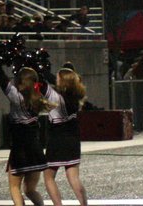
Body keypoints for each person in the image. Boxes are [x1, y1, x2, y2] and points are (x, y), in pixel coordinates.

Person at [0, 65, 53, 206]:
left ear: (20, 83)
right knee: (30, 190)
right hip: (36, 149)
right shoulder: (39, 97)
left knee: (15, 187)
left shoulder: (17, 97)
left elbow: (3, 82)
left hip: (20, 149)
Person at [42, 68, 88, 206]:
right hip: (73, 138)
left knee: (48, 176)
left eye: (57, 78)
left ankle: (58, 205)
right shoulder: (75, 95)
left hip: (57, 138)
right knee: (73, 177)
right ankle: (84, 204)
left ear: (62, 81)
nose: (55, 79)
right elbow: (49, 79)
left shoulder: (56, 97)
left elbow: (42, 83)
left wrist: (37, 67)